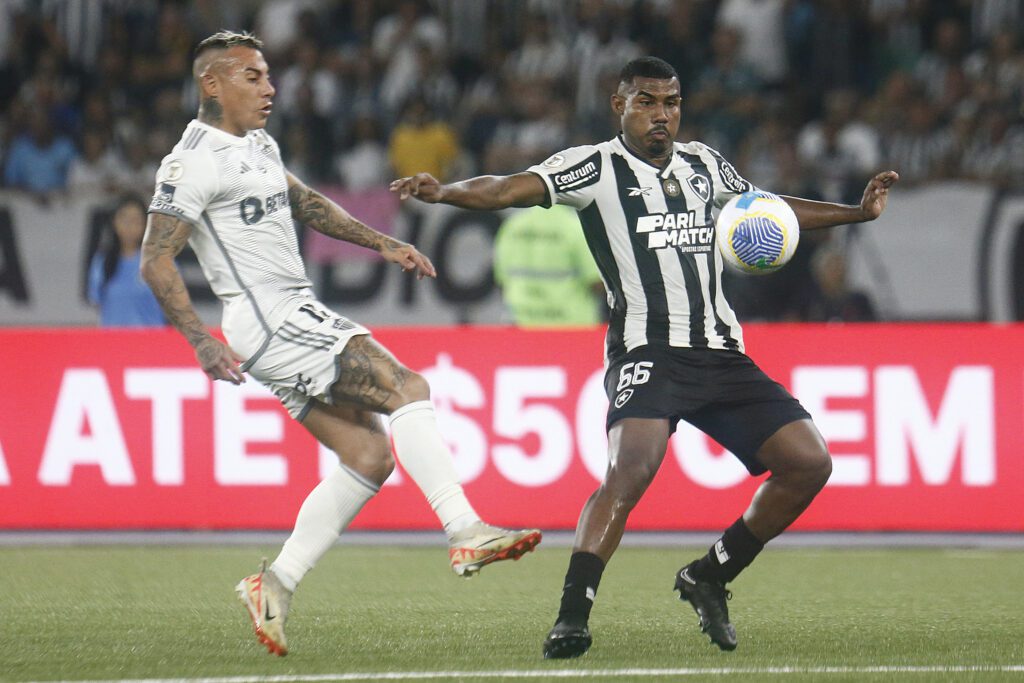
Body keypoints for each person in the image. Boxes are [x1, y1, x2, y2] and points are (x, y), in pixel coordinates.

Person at [391, 56, 899, 658]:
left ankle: (709, 575)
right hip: (647, 350)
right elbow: (506, 188)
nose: (662, 115)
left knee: (809, 463)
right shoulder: (593, 166)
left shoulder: (705, 164)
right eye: (647, 102)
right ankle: (572, 617)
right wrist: (446, 191)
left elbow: (769, 210)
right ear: (620, 105)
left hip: (719, 351)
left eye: (671, 103)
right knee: (630, 470)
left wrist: (855, 213)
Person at [140, 31, 540, 658]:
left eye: (268, 75)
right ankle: (465, 529)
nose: (270, 88)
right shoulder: (192, 162)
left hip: (288, 312)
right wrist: (201, 341)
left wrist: (383, 242)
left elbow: (305, 203)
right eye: (252, 77)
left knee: (368, 455)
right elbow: (155, 258)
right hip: (269, 317)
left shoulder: (257, 144)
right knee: (407, 387)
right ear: (211, 84)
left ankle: (274, 583)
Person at [493, 204, 605, 327]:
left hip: (521, 321)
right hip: (570, 325)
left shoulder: (513, 225)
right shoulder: (575, 226)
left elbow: (501, 278)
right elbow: (597, 281)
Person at [88, 193, 166, 327]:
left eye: (136, 221)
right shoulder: (103, 261)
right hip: (114, 337)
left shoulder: (159, 262)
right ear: (114, 222)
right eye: (124, 219)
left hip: (150, 338)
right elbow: (97, 303)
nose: (129, 227)